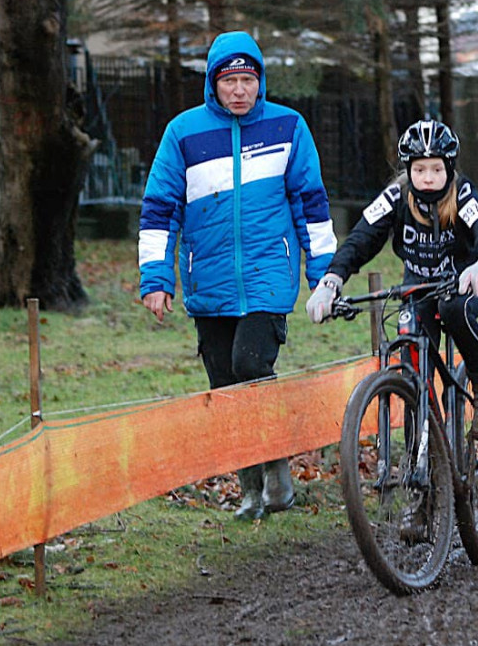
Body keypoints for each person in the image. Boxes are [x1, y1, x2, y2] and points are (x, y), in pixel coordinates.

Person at [138, 31, 337, 519]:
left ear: (260, 81)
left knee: (252, 364)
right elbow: (160, 210)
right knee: (226, 387)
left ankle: (278, 472)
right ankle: (250, 490)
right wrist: (156, 279)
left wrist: (324, 273)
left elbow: (311, 202)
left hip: (270, 272)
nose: (240, 90)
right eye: (230, 81)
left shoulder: (289, 126)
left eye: (249, 80)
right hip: (209, 280)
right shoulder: (183, 133)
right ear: (214, 83)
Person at [306, 118, 478, 437]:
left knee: (453, 309)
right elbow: (360, 239)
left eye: (436, 170)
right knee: (412, 352)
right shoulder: (396, 195)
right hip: (419, 287)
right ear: (408, 169)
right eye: (420, 169)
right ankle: (421, 450)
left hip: (465, 284)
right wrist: (330, 282)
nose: (428, 178)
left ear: (449, 168)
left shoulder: (462, 193)